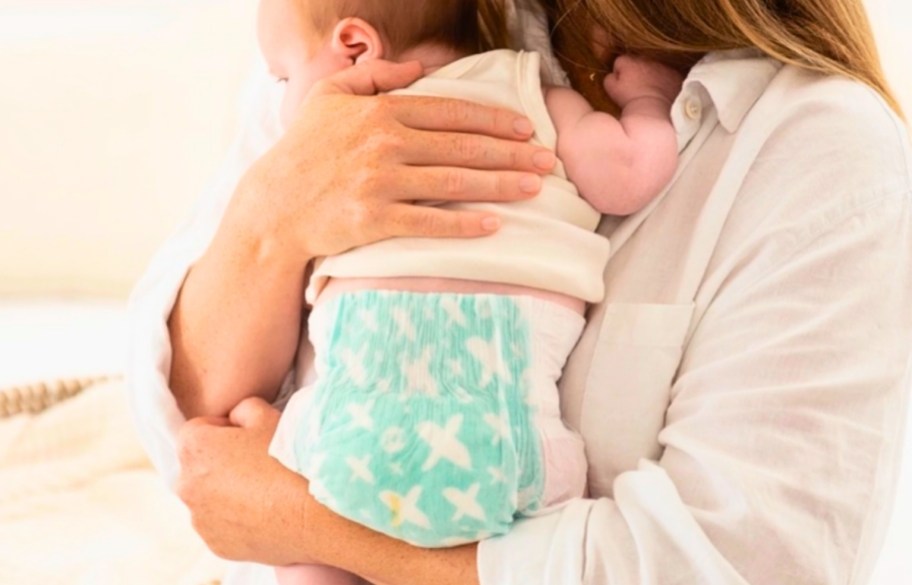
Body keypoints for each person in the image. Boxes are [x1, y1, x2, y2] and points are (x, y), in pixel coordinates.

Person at [127, 0, 912, 584]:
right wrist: (274, 212)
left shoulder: (822, 155)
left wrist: (313, 522)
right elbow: (197, 441)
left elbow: (730, 566)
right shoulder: (375, 41)